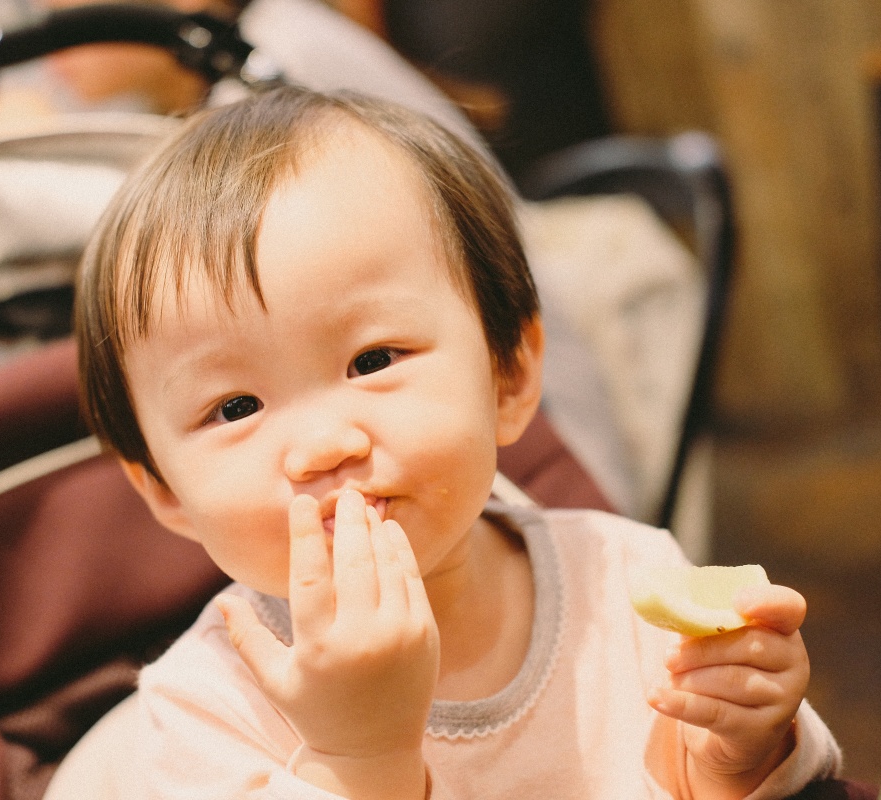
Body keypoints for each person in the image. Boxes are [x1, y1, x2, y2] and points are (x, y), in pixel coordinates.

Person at [43, 85, 840, 799]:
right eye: (235, 406)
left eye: (373, 360)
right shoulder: (201, 714)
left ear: (509, 373)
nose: (323, 444)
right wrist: (358, 757)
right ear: (165, 491)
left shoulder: (626, 582)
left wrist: (742, 754)